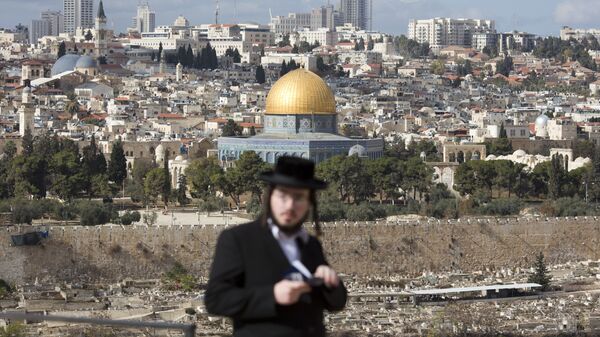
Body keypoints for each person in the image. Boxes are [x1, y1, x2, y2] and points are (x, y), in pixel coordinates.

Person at [204, 156, 347, 337]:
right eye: (283, 195)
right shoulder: (239, 239)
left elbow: (336, 303)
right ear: (270, 196)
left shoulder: (310, 245)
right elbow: (216, 299)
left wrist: (332, 284)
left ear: (309, 203)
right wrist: (272, 296)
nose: (290, 206)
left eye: (299, 198)